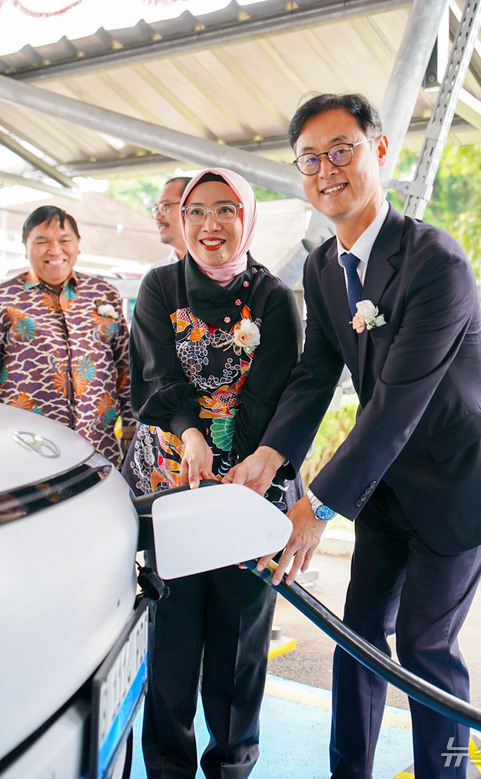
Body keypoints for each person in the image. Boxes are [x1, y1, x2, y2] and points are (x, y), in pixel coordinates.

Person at [225, 93, 481, 779]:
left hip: (459, 483)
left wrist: (316, 508)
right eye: (309, 159)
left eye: (341, 150)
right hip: (387, 486)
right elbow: (314, 373)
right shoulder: (321, 268)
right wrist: (270, 456)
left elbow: (395, 407)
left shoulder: (436, 262)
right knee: (357, 638)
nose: (326, 169)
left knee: (425, 647)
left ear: (379, 149)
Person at [122, 167, 302, 778]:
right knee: (170, 643)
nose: (210, 223)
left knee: (238, 649)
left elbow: (273, 396)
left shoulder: (273, 298)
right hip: (173, 486)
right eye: (196, 211)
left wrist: (234, 469)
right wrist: (191, 433)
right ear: (182, 220)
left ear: (246, 217)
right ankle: (167, 769)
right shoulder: (160, 285)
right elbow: (155, 375)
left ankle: (231, 766)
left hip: (248, 489)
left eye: (226, 209)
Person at [0, 205, 135, 467]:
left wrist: (131, 429)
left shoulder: (103, 293)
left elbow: (126, 366)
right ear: (25, 247)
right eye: (42, 241)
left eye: (64, 241)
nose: (55, 250)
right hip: (29, 449)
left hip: (99, 446)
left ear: (77, 245)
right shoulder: (5, 298)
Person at [149, 176, 191, 267]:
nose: (157, 216)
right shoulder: (157, 272)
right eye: (157, 208)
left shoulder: (219, 269)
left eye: (165, 206)